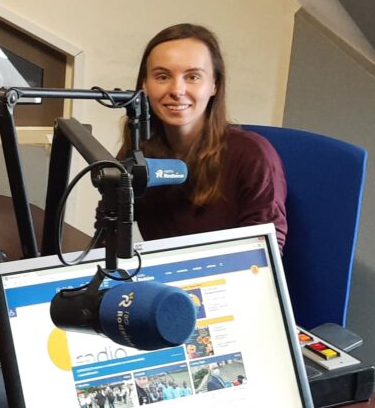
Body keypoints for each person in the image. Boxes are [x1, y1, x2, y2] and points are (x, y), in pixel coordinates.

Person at [121, 24, 287, 248]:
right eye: (162, 76)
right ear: (145, 85)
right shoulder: (138, 152)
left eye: (192, 77)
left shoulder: (253, 155)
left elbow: (263, 250)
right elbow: (109, 230)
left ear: (214, 85)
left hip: (232, 270)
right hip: (164, 270)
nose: (177, 90)